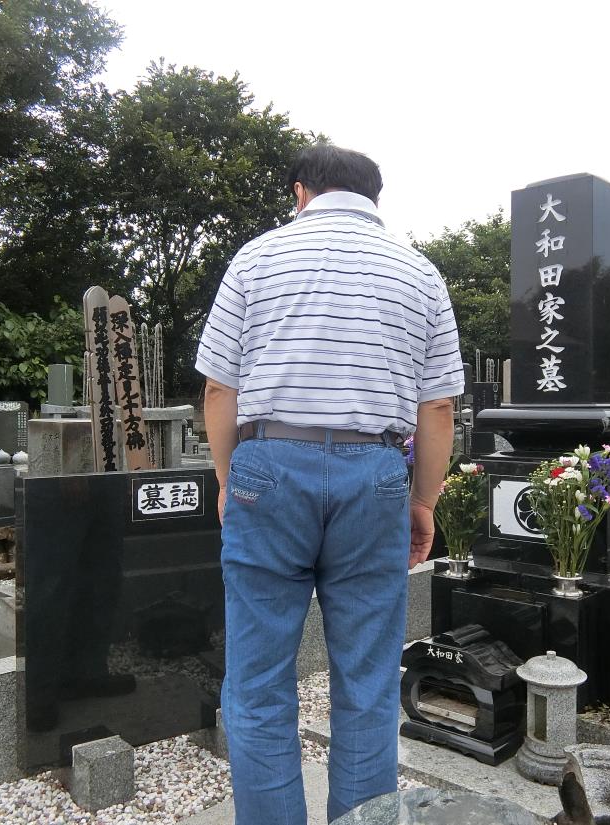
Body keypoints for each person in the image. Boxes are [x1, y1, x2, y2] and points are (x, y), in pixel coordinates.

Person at [195, 143, 463, 824]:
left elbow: (220, 388)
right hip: (374, 472)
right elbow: (438, 406)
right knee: (367, 683)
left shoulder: (255, 258)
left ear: (300, 193)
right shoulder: (420, 272)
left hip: (268, 466)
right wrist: (423, 500)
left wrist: (228, 479)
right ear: (373, 198)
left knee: (257, 683)